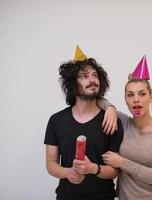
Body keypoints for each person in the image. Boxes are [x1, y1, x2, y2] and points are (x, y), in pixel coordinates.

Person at [44, 46, 123, 200]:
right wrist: (68, 173)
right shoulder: (56, 120)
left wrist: (93, 168)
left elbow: (115, 171)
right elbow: (51, 163)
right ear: (73, 84)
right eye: (84, 76)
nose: (92, 80)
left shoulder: (112, 121)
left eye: (95, 75)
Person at [99, 55, 152, 200]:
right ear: (126, 100)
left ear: (151, 97)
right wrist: (110, 108)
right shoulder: (123, 122)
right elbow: (98, 99)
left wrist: (121, 162)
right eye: (130, 95)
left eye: (142, 94)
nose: (136, 99)